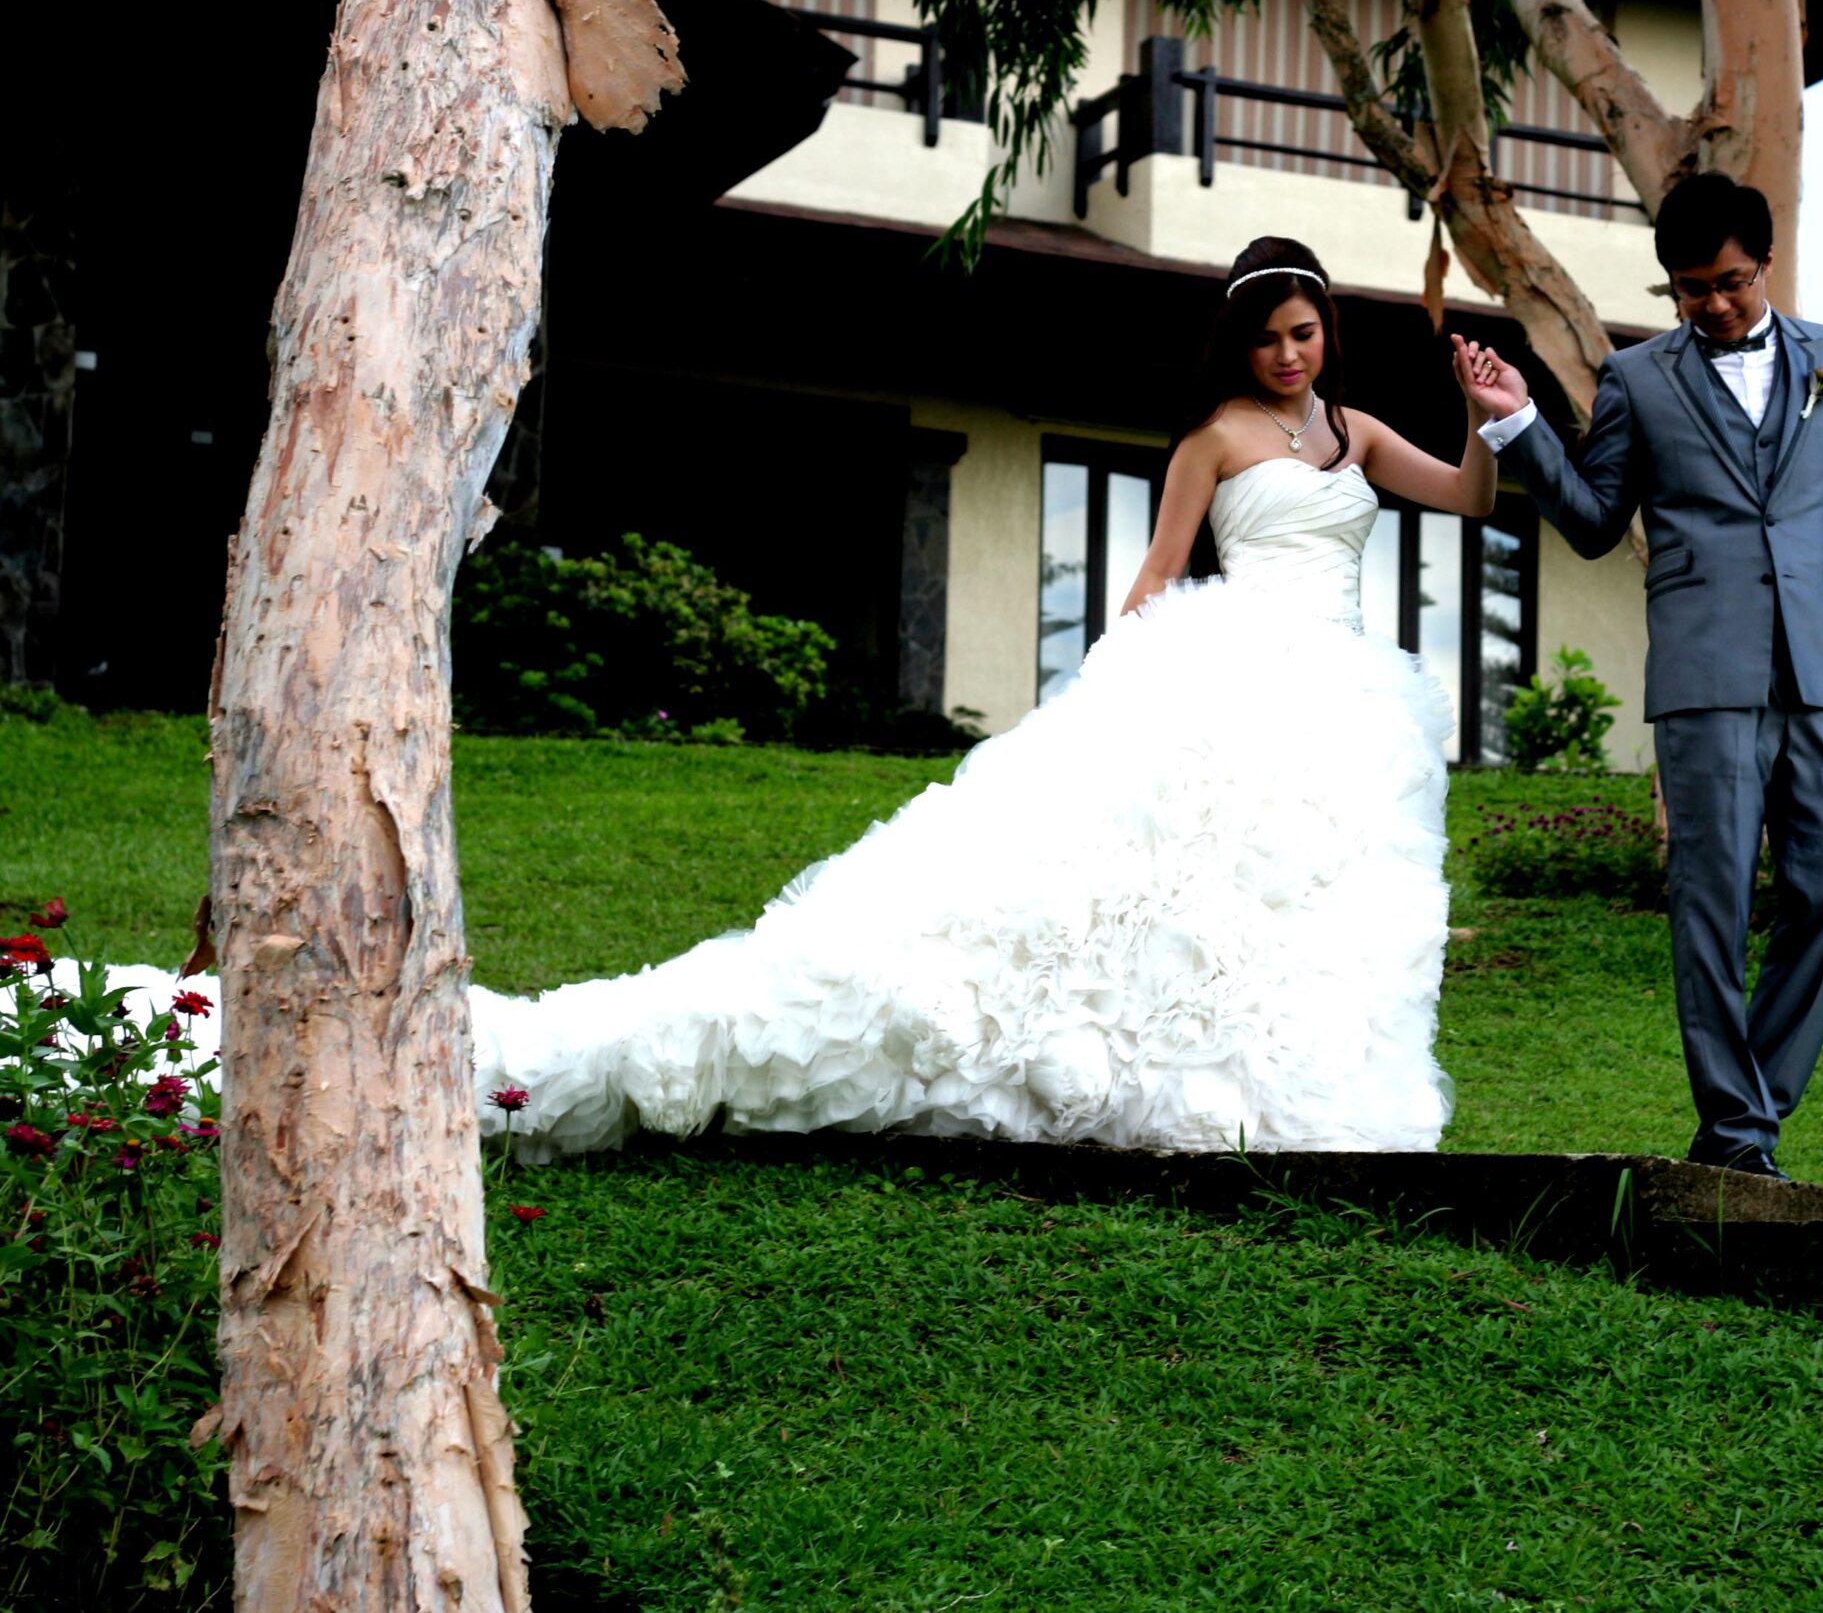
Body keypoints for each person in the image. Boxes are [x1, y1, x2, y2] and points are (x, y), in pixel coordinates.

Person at [443, 237, 1500, 1160]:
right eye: (1267, 338)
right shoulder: (1216, 435)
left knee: (1292, 898)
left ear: (1327, 333)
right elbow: (1158, 569)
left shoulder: (1355, 432)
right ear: (1239, 345)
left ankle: (1265, 1087)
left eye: (1302, 334)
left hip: (1340, 697)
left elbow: (1463, 494)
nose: (1287, 355)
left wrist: (1480, 415)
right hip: (1231, 666)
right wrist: (1117, 689)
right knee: (1138, 882)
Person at [1453, 173, 1823, 1181]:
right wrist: (1518, 425)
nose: (1711, 304)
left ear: (1764, 264)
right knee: (1710, 902)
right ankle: (1738, 1131)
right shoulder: (1637, 380)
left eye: (1729, 282)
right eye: (1689, 289)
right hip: (1704, 673)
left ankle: (1744, 1115)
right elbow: (1595, 522)